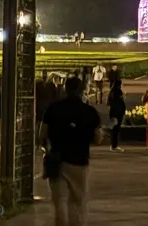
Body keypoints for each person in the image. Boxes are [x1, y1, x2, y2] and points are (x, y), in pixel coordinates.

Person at [41, 77, 104, 226]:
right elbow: (97, 139)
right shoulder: (89, 112)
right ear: (82, 90)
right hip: (79, 161)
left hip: (57, 161)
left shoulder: (53, 108)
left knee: (59, 204)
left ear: (65, 89)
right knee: (76, 202)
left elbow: (42, 135)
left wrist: (47, 149)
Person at [107, 86, 126, 152]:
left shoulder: (113, 92)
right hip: (116, 114)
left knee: (115, 130)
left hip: (116, 113)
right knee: (115, 130)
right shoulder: (115, 92)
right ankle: (113, 145)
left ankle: (114, 145)